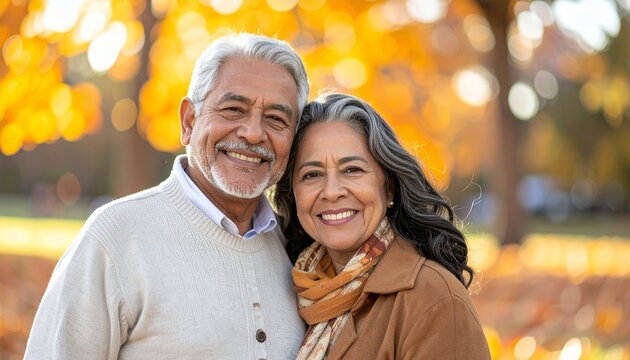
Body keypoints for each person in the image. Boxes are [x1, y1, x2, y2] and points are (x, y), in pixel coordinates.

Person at [25, 32, 310, 359]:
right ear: (189, 121)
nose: (254, 132)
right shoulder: (115, 237)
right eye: (233, 109)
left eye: (276, 118)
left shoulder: (296, 249)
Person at [273, 93, 491, 359]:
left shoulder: (434, 298)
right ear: (293, 193)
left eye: (352, 170)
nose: (331, 192)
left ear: (388, 187)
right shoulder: (296, 290)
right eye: (312, 175)